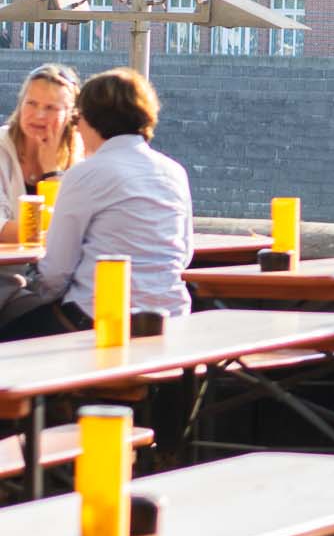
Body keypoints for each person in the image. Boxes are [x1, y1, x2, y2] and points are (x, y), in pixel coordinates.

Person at [0, 67, 193, 340]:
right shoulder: (174, 171)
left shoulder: (86, 171)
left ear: (87, 120)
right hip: (171, 319)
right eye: (31, 104)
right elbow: (184, 255)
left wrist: (38, 292)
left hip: (97, 317)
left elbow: (56, 273)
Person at [0, 63, 81, 243]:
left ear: (70, 115)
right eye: (31, 103)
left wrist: (53, 173)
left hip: (57, 268)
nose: (39, 115)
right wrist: (51, 233)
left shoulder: (82, 157)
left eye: (51, 108)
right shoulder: (2, 147)